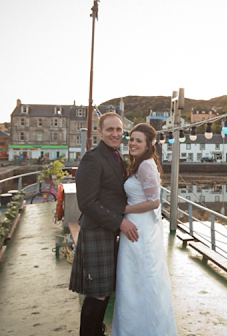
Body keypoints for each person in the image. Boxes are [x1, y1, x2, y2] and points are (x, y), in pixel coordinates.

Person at [69, 112, 139, 336]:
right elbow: (86, 203)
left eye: (119, 130)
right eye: (110, 129)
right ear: (100, 132)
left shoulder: (118, 156)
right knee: (97, 293)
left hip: (109, 233)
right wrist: (120, 222)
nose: (115, 134)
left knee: (106, 290)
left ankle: (97, 332)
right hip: (97, 231)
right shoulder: (92, 158)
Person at [111, 123, 177, 336]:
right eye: (131, 139)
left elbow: (154, 202)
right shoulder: (138, 164)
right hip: (135, 226)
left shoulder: (146, 166)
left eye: (139, 141)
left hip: (140, 230)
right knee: (132, 282)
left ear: (148, 145)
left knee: (141, 280)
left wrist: (122, 210)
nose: (133, 143)